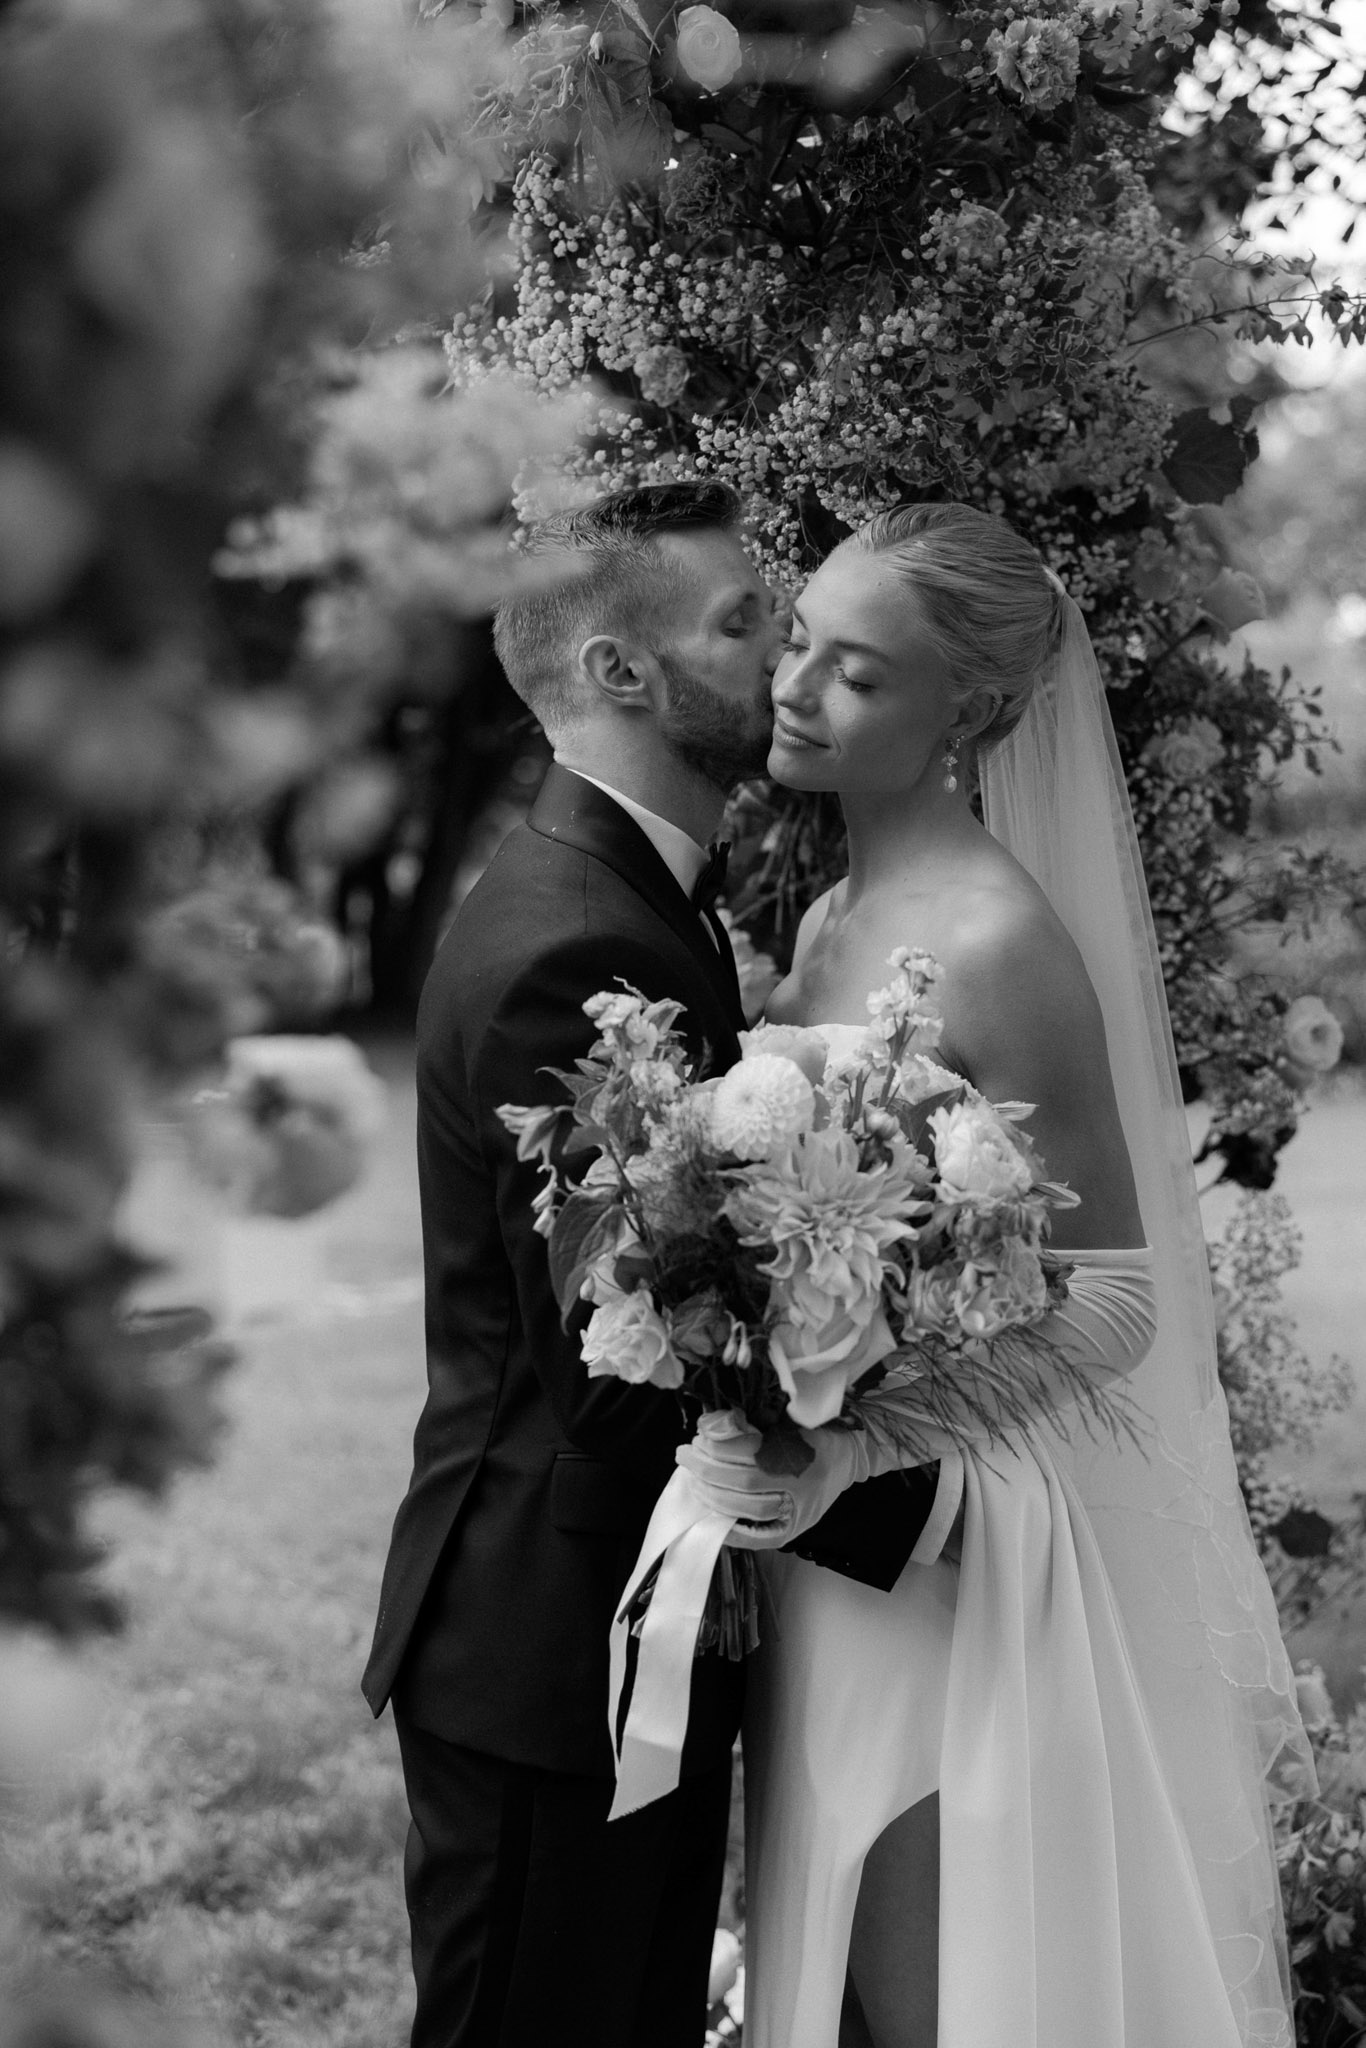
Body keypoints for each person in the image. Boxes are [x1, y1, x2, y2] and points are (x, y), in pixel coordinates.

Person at [680, 503, 1311, 2048]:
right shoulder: (827, 917)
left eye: (860, 675)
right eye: (802, 641)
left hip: (947, 1547)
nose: (798, 688)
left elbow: (1112, 1297)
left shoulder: (997, 939)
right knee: (819, 1961)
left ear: (966, 709)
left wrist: (859, 1444)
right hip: (821, 1541)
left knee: (935, 1979)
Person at [361, 481, 943, 2048]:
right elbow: (630, 1362)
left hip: (605, 1628)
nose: (786, 655)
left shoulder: (632, 899)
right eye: (745, 621)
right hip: (555, 1656)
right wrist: (942, 1504)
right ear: (622, 672)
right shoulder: (574, 946)